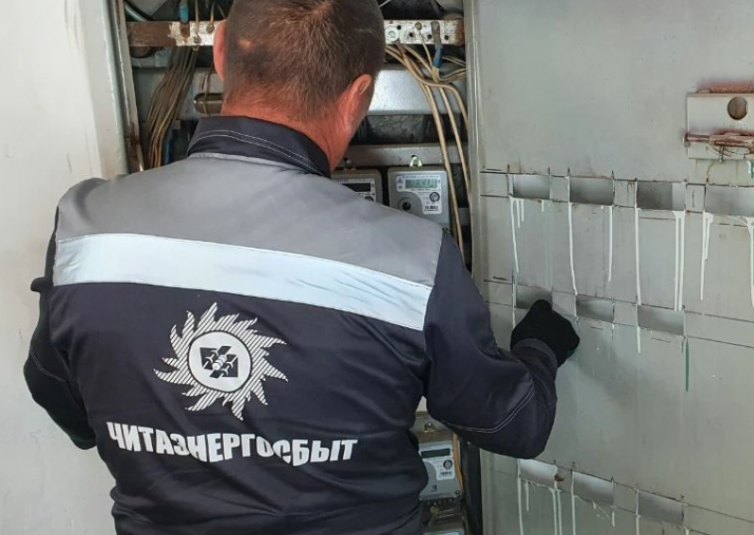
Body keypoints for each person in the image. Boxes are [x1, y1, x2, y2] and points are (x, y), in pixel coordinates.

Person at [23, 0, 579, 533]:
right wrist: (540, 346)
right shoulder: (412, 261)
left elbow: (61, 399)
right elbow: (513, 424)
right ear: (358, 95)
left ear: (220, 50)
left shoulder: (86, 227)